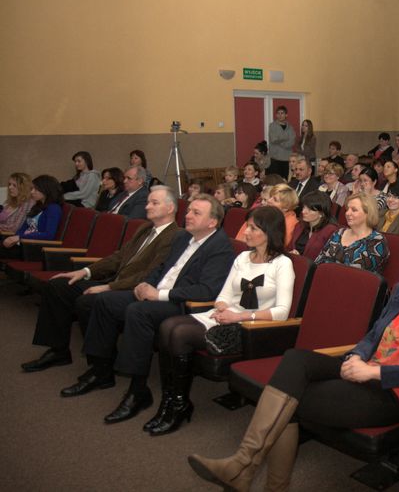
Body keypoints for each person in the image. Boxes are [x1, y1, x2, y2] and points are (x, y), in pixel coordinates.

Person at [188, 233, 399, 492]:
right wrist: (358, 354)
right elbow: (374, 333)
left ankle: (245, 470)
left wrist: (374, 372)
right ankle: (243, 465)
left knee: (291, 397)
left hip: (392, 392)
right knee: (295, 361)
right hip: (363, 366)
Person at [62, 195, 235, 425]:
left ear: (212, 222)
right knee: (103, 301)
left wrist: (159, 294)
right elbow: (163, 267)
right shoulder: (183, 237)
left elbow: (206, 290)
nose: (187, 215)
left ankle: (137, 390)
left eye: (196, 213)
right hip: (157, 293)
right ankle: (100, 369)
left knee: (138, 312)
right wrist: (146, 284)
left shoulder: (220, 247)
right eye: (189, 210)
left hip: (180, 304)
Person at [148, 206, 295, 435]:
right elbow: (225, 295)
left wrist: (238, 316)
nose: (245, 232)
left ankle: (178, 404)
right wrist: (221, 307)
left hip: (250, 327)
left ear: (268, 232)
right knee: (167, 326)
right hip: (225, 317)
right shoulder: (243, 257)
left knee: (178, 333)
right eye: (247, 226)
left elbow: (282, 312)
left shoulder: (282, 264)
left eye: (253, 228)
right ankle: (170, 401)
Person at [20, 186, 180, 373]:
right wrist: (85, 271)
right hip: (114, 280)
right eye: (148, 202)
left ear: (170, 208)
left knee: (87, 302)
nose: (147, 207)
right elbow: (118, 257)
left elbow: (151, 274)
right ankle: (58, 351)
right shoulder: (145, 229)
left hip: (131, 288)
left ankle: (102, 366)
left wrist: (109, 287)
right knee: (58, 286)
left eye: (154, 203)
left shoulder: (176, 236)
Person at [315, 193, 389, 274]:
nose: (347, 213)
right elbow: (319, 261)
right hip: (323, 279)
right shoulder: (339, 233)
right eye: (347, 209)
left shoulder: (376, 241)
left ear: (368, 213)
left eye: (354, 210)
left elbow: (358, 276)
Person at [0, 175, 63, 260]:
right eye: (32, 189)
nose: (32, 192)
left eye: (35, 189)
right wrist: (16, 237)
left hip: (34, 248)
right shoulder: (37, 206)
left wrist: (19, 237)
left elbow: (49, 235)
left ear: (46, 190)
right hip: (22, 244)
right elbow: (23, 228)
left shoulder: (53, 208)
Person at [289, 191, 339, 260]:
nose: (303, 211)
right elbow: (288, 248)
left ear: (322, 213)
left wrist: (301, 259)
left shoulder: (331, 231)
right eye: (304, 207)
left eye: (309, 209)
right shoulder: (299, 225)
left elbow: (326, 259)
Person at [261, 184, 299, 249]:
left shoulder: (290, 223)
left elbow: (277, 247)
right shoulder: (267, 213)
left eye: (275, 200)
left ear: (286, 207)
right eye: (270, 197)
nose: (269, 200)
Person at [267, 106, 295, 178]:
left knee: (285, 180)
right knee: (275, 180)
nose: (280, 115)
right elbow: (274, 139)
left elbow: (292, 141)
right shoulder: (272, 126)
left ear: (286, 115)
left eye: (282, 113)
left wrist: (280, 140)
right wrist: (286, 138)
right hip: (275, 158)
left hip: (287, 158)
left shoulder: (290, 127)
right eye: (278, 113)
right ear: (276, 115)